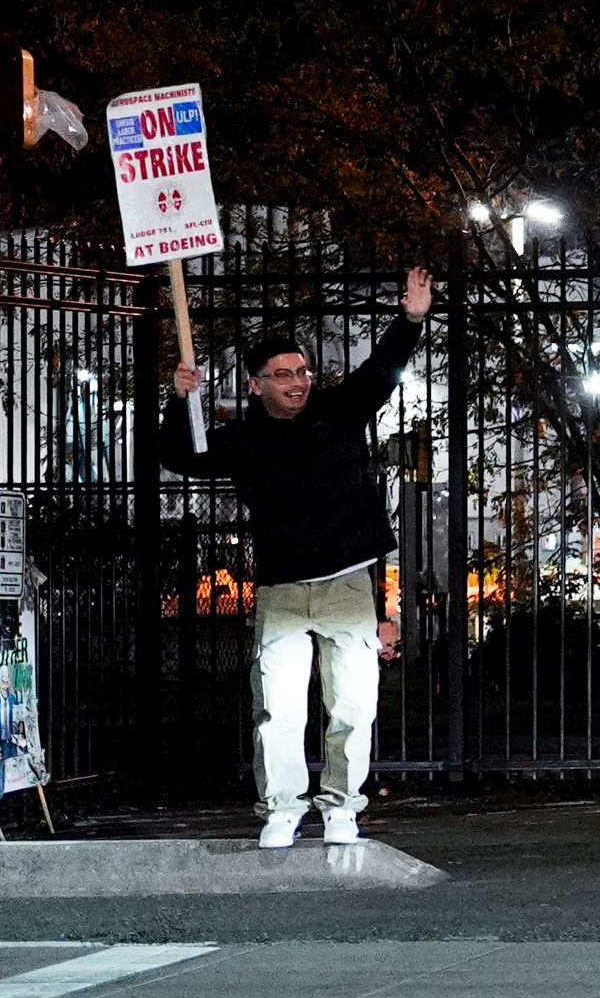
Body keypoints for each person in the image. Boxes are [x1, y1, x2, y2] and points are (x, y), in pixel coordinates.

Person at [163, 270, 432, 848]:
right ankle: (282, 808)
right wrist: (179, 396)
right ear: (256, 384)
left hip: (347, 582)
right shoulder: (239, 441)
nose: (297, 383)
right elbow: (179, 456)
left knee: (353, 705)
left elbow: (380, 372)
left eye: (303, 372)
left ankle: (342, 807)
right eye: (283, 375)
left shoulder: (338, 413)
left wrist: (410, 319)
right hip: (283, 588)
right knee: (279, 710)